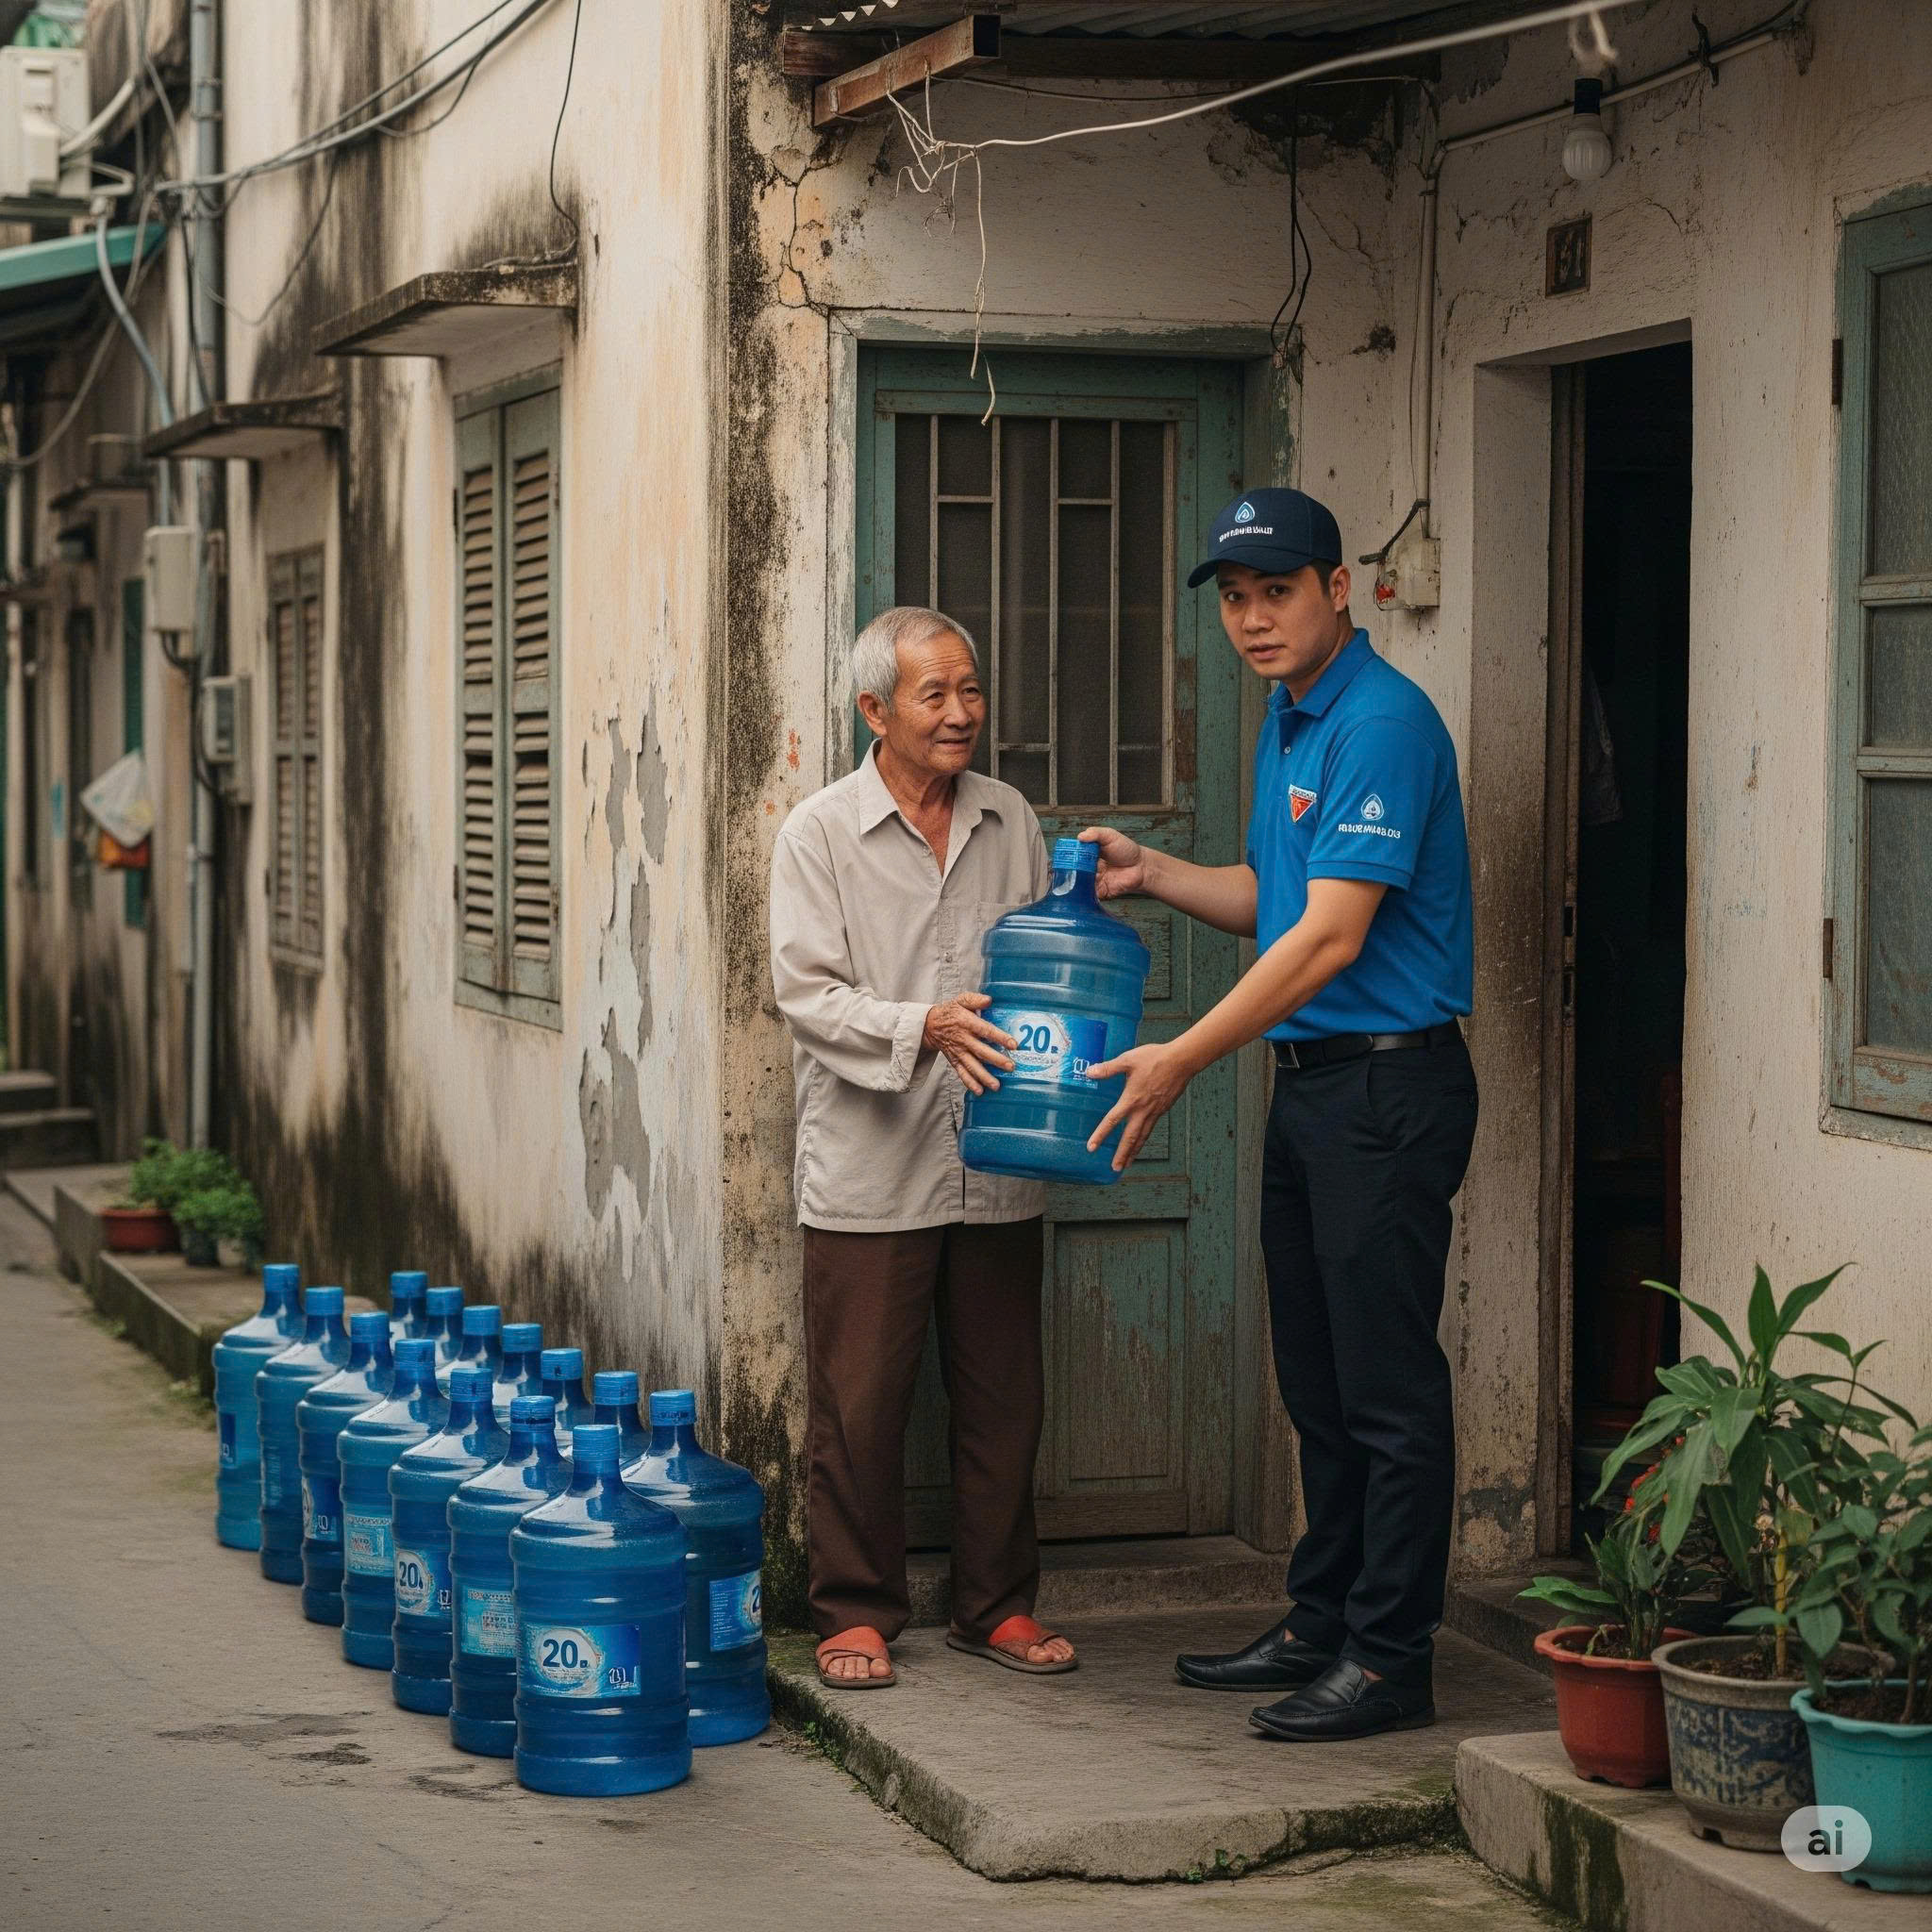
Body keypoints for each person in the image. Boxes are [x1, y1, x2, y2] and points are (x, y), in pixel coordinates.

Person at [1081, 488, 1476, 1742]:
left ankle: (1389, 1656)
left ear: (1337, 589)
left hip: (1386, 1088)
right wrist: (1151, 874)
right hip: (1314, 1088)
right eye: (1237, 599)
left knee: (1385, 1390)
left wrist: (1180, 1057)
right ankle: (1321, 1624)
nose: (1253, 618)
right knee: (1317, 1378)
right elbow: (1276, 894)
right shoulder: (1290, 717)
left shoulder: (1381, 722)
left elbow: (1331, 937)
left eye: (1278, 592)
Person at [768, 605, 1078, 1690]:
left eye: (969, 689)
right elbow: (806, 993)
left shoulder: (1009, 818)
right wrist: (923, 1026)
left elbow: (1043, 967)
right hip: (871, 1160)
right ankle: (854, 1609)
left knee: (1003, 1395)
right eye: (932, 693)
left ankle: (995, 1603)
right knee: (858, 1403)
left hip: (995, 1152)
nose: (959, 713)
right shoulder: (818, 832)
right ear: (874, 708)